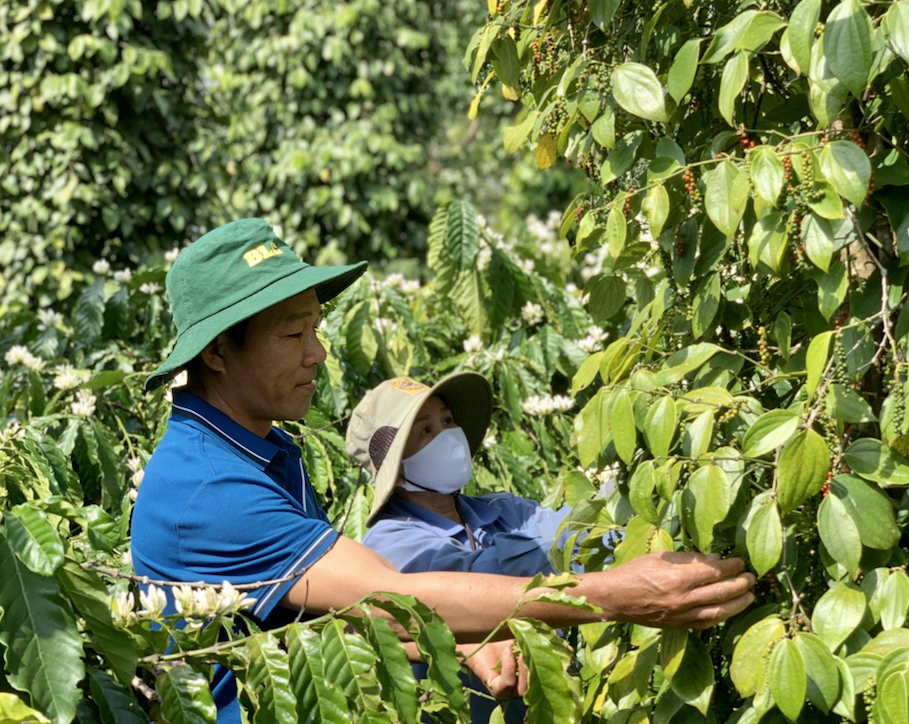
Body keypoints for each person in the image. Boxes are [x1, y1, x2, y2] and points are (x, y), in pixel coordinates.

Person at [131, 218, 756, 724]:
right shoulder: (208, 487)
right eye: (293, 333)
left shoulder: (256, 446)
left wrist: (457, 648)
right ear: (216, 351)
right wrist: (613, 596)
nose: (317, 353)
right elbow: (389, 600)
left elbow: (325, 619)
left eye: (315, 328)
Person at [351, 372, 574, 578]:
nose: (448, 436)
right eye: (426, 430)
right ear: (396, 471)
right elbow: (475, 582)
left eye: (447, 420)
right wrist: (577, 526)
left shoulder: (505, 509)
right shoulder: (391, 541)